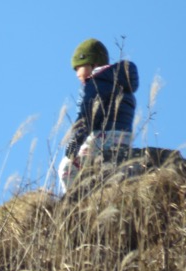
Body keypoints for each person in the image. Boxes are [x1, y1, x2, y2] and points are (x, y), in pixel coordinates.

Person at [57, 38, 139, 194]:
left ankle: (75, 202)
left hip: (102, 138)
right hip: (124, 138)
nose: (77, 74)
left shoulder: (95, 83)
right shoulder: (120, 82)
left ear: (92, 64)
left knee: (66, 168)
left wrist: (74, 143)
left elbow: (88, 115)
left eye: (78, 68)